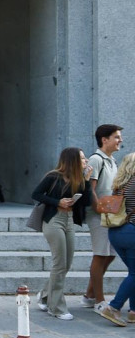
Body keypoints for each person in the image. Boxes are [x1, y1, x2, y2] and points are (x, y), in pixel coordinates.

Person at [31, 147, 94, 321]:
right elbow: (36, 194)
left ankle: (45, 295)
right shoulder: (53, 176)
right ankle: (56, 307)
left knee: (66, 264)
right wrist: (57, 201)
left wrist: (86, 181)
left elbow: (86, 202)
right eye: (82, 158)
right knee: (59, 264)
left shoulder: (78, 179)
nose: (86, 161)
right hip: (53, 221)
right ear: (72, 160)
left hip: (69, 220)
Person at [85, 124, 123, 309]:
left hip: (110, 214)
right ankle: (98, 301)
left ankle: (89, 294)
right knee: (100, 255)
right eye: (116, 137)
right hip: (98, 215)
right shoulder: (96, 159)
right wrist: (98, 208)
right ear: (104, 139)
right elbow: (89, 188)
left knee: (110, 255)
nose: (120, 140)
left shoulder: (112, 160)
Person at [98, 153, 135, 326]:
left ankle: (133, 311)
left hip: (116, 233)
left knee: (133, 273)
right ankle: (113, 308)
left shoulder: (119, 184)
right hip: (131, 232)